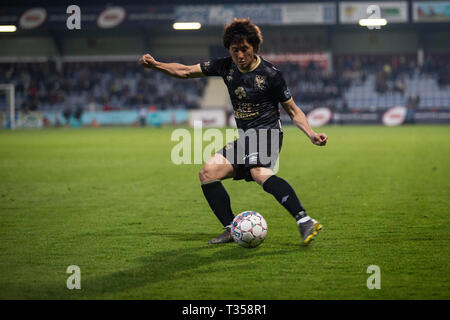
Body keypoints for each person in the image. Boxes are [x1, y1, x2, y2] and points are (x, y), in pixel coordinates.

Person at [139, 18, 328, 246]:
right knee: (208, 173)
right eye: (234, 50)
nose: (240, 55)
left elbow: (293, 110)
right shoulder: (225, 66)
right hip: (247, 138)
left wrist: (311, 134)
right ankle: (230, 228)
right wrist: (156, 65)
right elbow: (186, 71)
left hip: (268, 134)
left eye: (245, 49)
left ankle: (304, 220)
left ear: (254, 48)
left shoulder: (271, 74)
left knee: (259, 172)